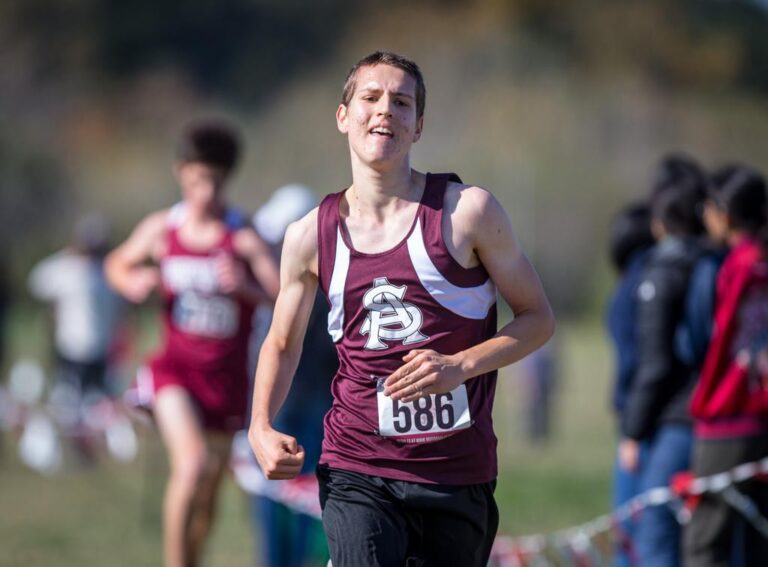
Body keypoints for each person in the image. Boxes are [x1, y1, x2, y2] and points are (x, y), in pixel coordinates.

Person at [248, 51, 555, 567]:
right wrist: (259, 424)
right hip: (356, 464)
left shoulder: (467, 212)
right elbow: (282, 341)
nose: (385, 110)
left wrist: (460, 366)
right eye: (370, 98)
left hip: (455, 472)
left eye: (401, 102)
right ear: (344, 116)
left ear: (418, 127)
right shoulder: (309, 236)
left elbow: (538, 319)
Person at [105, 119, 279, 567]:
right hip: (174, 372)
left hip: (224, 382)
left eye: (216, 182)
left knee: (207, 500)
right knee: (192, 463)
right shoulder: (163, 229)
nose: (206, 192)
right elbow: (116, 263)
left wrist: (245, 287)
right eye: (199, 179)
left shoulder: (241, 235)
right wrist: (133, 279)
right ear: (181, 172)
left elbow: (286, 295)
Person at [619, 171, 708, 567]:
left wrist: (633, 432)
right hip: (721, 418)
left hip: (676, 421)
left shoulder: (662, 271)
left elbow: (655, 364)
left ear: (661, 222)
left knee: (654, 533)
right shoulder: (716, 264)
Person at [684, 165, 768, 567]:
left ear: (726, 213)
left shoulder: (739, 266)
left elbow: (722, 345)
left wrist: (705, 402)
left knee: (705, 543)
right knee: (756, 539)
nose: (704, 215)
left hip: (729, 416)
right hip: (761, 416)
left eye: (709, 206)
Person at [250, 184, 337, 567]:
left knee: (306, 505)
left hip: (310, 406)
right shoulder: (280, 281)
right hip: (286, 406)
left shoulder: (314, 284)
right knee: (276, 503)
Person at [28, 213, 127, 461]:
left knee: (96, 405)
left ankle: (90, 449)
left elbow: (120, 309)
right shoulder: (66, 269)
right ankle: (70, 448)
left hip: (100, 349)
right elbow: (37, 282)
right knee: (67, 403)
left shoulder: (108, 272)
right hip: (69, 349)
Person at [605, 202, 655, 567]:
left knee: (634, 531)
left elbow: (634, 363)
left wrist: (630, 426)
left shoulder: (631, 289)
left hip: (642, 424)